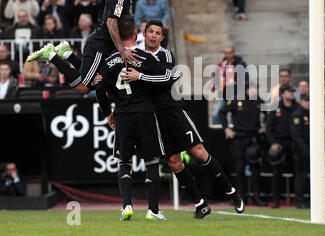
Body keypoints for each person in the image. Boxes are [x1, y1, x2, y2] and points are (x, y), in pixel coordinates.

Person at [121, 18, 245, 217]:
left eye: (157, 33)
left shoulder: (166, 55)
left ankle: (232, 192)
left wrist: (141, 76)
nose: (153, 35)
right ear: (144, 34)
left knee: (199, 152)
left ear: (162, 37)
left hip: (173, 110)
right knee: (174, 162)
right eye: (150, 31)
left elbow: (166, 78)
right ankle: (200, 203)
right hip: (154, 116)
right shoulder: (134, 54)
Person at [26, 0, 146, 95]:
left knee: (97, 83)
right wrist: (122, 50)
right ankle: (51, 55)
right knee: (84, 87)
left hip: (106, 48)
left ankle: (66, 53)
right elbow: (111, 22)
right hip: (99, 46)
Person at [95, 16, 167, 221]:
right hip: (145, 114)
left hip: (123, 116)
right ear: (136, 35)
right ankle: (152, 210)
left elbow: (99, 88)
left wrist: (108, 113)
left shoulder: (109, 60)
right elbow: (164, 81)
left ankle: (127, 205)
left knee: (124, 161)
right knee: (152, 162)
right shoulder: (147, 58)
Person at [218, 81, 267, 206]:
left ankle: (256, 197)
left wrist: (265, 125)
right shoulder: (236, 100)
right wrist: (226, 128)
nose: (256, 90)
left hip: (253, 137)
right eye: (254, 88)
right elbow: (222, 112)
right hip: (239, 138)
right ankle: (241, 197)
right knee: (239, 168)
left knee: (255, 168)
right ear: (247, 90)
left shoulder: (258, 101)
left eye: (256, 88)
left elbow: (268, 113)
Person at [265, 85, 299, 208]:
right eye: (289, 91)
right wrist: (273, 142)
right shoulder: (275, 109)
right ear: (283, 94)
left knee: (298, 171)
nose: (292, 94)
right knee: (277, 173)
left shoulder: (297, 107)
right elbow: (269, 128)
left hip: (295, 143)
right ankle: (276, 200)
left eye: (292, 91)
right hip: (279, 143)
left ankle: (299, 200)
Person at [212, 45, 247, 124]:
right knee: (216, 116)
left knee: (235, 118)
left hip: (237, 96)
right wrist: (214, 84)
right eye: (226, 53)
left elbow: (245, 79)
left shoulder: (240, 64)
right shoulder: (222, 64)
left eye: (230, 53)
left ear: (233, 53)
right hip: (226, 95)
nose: (228, 55)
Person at [290, 94, 310, 208]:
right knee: (301, 175)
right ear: (301, 101)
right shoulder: (298, 114)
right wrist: (306, 150)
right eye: (306, 100)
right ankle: (300, 199)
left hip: (308, 148)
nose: (308, 103)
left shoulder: (310, 113)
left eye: (309, 100)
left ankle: (307, 198)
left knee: (307, 175)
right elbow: (296, 135)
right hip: (300, 150)